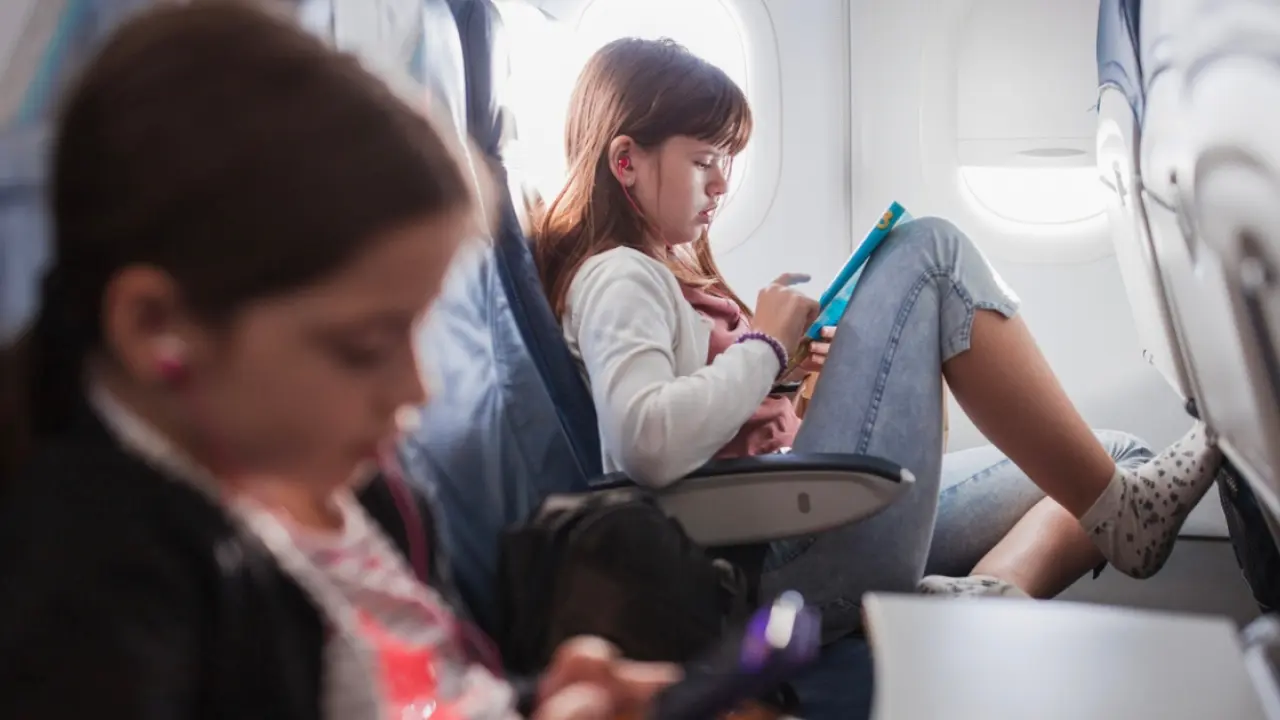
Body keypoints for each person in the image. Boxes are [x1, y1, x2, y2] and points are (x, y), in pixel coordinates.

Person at [0, 4, 678, 719]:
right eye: (365, 348)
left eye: (421, 331)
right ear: (155, 328)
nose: (417, 388)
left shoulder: (367, 498)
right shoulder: (94, 577)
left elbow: (414, 695)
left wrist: (540, 699)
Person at [532, 37, 1220, 715]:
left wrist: (788, 376)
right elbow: (645, 442)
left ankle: (987, 597)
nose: (722, 183)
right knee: (929, 254)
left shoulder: (665, 273)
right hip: (762, 560)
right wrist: (764, 345)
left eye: (729, 161)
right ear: (626, 161)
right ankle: (1126, 519)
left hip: (792, 509)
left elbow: (707, 421)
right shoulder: (617, 277)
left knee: (1113, 459)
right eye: (704, 160)